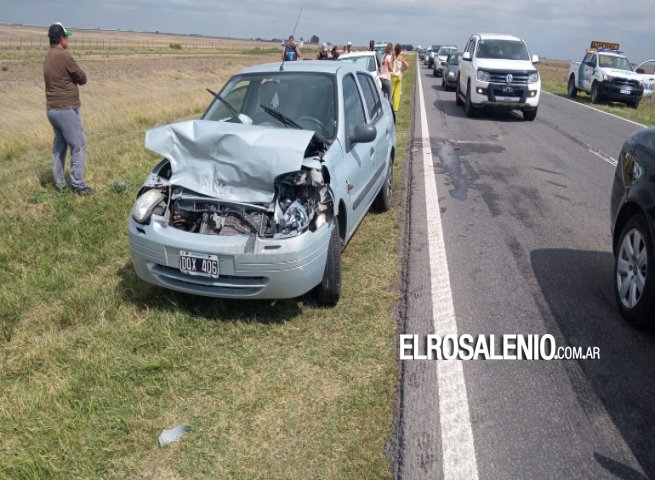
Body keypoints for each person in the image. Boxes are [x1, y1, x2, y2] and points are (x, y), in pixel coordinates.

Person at [43, 22, 94, 195]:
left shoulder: (48, 55)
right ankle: (78, 185)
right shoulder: (64, 55)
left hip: (52, 109)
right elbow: (82, 77)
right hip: (65, 108)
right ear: (61, 38)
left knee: (60, 145)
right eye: (67, 37)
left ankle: (59, 184)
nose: (68, 40)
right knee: (79, 144)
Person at [391, 43, 409, 123]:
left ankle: (389, 106)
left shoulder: (393, 57)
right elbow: (407, 66)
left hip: (393, 76)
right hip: (399, 76)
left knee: (391, 92)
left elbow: (390, 66)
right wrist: (402, 70)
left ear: (395, 49)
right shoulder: (401, 58)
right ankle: (395, 109)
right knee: (397, 93)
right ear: (400, 50)